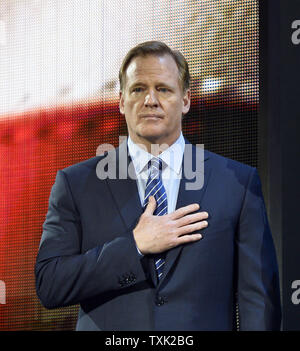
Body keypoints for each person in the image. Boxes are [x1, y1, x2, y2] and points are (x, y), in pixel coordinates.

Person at [35, 41, 281, 331]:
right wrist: (134, 246)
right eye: (138, 89)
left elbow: (259, 300)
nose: (150, 100)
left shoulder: (237, 183)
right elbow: (50, 284)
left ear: (186, 100)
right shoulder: (76, 183)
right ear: (121, 101)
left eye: (163, 89)